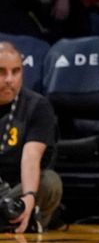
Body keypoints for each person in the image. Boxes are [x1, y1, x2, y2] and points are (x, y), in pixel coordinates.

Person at [0, 42, 62, 233]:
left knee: (50, 183)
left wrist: (28, 196)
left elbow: (31, 157)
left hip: (19, 187)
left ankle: (19, 215)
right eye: (1, 72)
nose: (10, 79)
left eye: (16, 71)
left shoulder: (37, 105)